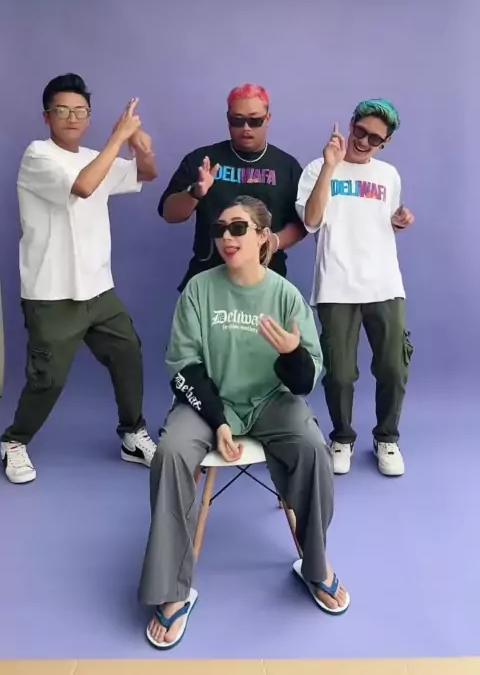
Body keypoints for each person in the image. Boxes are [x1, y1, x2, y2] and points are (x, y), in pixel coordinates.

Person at [139, 195, 349, 651]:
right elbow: (183, 367)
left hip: (271, 401)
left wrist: (292, 354)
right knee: (170, 452)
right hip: (209, 403)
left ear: (262, 237)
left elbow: (306, 380)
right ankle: (172, 589)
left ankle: (316, 566)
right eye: (219, 229)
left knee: (313, 448)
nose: (227, 237)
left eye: (238, 228)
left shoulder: (285, 295)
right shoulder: (198, 290)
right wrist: (217, 421)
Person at [1, 73, 158, 485]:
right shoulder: (38, 156)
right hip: (51, 293)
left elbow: (147, 173)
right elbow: (85, 186)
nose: (72, 118)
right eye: (63, 110)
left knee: (128, 353)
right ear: (47, 116)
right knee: (47, 379)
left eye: (80, 111)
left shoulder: (95, 155)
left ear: (89, 117)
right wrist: (118, 137)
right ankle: (14, 441)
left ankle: (132, 433)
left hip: (98, 290)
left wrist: (139, 145)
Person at [295, 99, 415, 478]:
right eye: (359, 131)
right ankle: (342, 438)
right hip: (336, 286)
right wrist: (330, 166)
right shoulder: (317, 168)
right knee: (339, 373)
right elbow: (311, 221)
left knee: (394, 368)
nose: (363, 141)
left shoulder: (389, 175)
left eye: (374, 138)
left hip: (385, 285)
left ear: (386, 142)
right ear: (350, 125)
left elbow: (378, 221)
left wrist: (399, 220)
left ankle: (387, 438)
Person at [158, 83, 305, 291]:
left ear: (268, 118)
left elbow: (303, 223)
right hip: (207, 281)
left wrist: (275, 241)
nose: (246, 128)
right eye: (238, 120)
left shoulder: (286, 167)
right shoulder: (202, 160)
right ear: (228, 119)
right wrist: (195, 193)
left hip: (266, 282)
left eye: (255, 121)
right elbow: (169, 213)